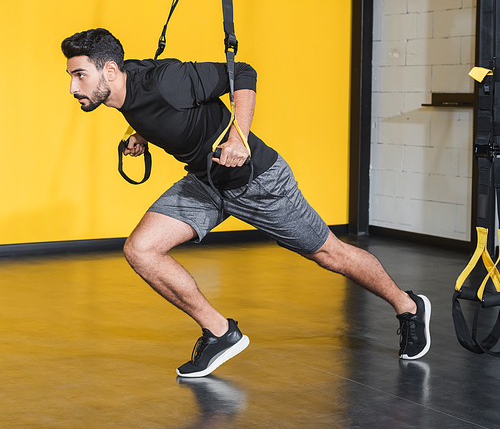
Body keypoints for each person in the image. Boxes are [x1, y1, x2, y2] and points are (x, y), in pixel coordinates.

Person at [61, 28, 431, 377]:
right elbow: (159, 112)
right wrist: (138, 133)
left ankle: (409, 307)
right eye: (71, 76)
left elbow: (243, 73)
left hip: (258, 182)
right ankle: (220, 332)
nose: (73, 86)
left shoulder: (166, 80)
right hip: (207, 183)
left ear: (110, 70)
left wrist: (239, 137)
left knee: (329, 254)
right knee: (141, 250)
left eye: (80, 75)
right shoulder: (125, 86)